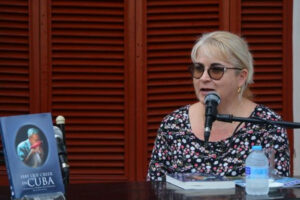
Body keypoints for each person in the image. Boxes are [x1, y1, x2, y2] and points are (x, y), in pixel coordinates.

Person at [147, 31, 290, 181]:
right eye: (199, 69)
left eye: (216, 70)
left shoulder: (267, 125)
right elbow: (154, 188)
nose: (203, 78)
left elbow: (278, 190)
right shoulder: (173, 124)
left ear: (241, 77)